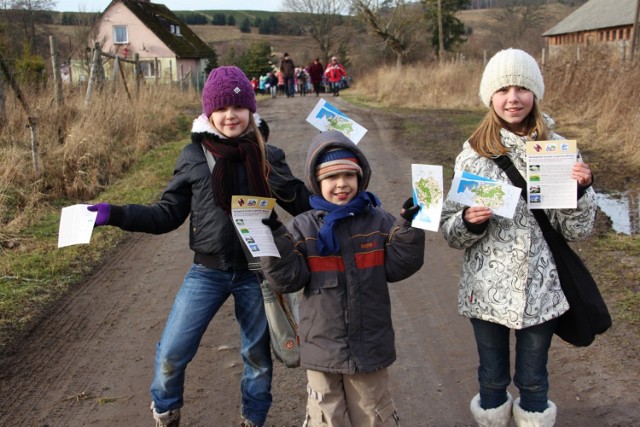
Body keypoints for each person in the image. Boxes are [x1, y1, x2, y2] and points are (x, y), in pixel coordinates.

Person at [87, 66, 312, 427]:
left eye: (238, 107)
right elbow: (166, 214)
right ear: (209, 113)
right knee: (172, 351)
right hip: (207, 271)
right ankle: (166, 409)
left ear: (251, 110)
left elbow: (301, 201)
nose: (230, 116)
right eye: (221, 109)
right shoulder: (194, 156)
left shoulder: (267, 155)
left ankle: (253, 419)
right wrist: (114, 213)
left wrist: (347, 195)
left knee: (257, 357)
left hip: (259, 272)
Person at [439, 48, 597, 427]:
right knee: (492, 379)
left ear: (535, 94)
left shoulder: (556, 152)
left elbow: (576, 230)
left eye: (522, 88)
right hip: (485, 288)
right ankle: (492, 417)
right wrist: (468, 221)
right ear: (490, 97)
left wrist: (580, 192)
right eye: (503, 89)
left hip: (539, 289)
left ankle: (532, 418)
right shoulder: (474, 155)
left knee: (533, 379)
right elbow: (450, 232)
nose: (513, 97)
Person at [260, 130, 426, 426]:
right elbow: (288, 280)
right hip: (322, 348)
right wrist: (273, 240)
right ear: (316, 182)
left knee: (373, 413)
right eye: (331, 177)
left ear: (360, 178)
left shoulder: (379, 221)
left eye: (349, 175)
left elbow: (399, 267)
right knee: (326, 417)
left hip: (370, 344)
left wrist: (410, 228)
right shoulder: (301, 227)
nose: (341, 184)